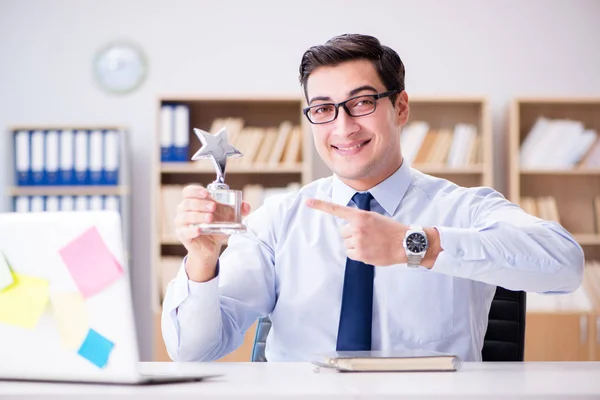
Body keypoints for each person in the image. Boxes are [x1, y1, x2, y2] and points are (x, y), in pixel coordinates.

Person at [161, 33, 584, 362]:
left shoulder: (465, 208)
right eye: (324, 109)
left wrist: (417, 244)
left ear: (400, 108)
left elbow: (565, 266)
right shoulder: (278, 220)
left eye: (361, 103)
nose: (343, 127)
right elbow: (194, 351)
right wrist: (201, 261)